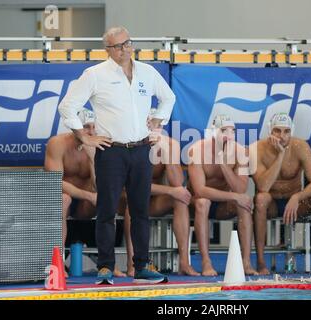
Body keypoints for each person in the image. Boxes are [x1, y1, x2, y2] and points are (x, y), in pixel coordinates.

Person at [58, 26, 175, 285]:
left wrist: (157, 121)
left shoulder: (147, 72)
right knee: (107, 210)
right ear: (107, 50)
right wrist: (84, 136)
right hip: (111, 152)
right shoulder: (95, 74)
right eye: (117, 46)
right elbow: (67, 106)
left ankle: (142, 267)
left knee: (140, 211)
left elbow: (168, 98)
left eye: (127, 43)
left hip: (142, 149)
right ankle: (105, 267)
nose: (124, 49)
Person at [44, 109, 129, 277]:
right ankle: (58, 262)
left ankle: (107, 263)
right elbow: (55, 182)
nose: (90, 132)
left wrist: (92, 159)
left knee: (107, 202)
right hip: (65, 199)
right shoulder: (57, 144)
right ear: (74, 127)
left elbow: (100, 186)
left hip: (86, 204)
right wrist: (89, 196)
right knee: (63, 199)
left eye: (93, 127)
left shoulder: (100, 145)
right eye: (85, 127)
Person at [249, 113, 311, 275]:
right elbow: (263, 186)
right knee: (261, 198)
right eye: (277, 131)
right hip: (271, 203)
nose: (282, 136)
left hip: (295, 203)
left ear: (291, 131)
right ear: (270, 131)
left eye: (286, 131)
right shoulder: (256, 148)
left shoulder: (300, 147)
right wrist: (280, 155)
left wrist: (297, 197)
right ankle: (261, 262)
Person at [187, 114, 258, 276]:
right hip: (196, 205)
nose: (228, 135)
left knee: (244, 204)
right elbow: (199, 190)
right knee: (203, 202)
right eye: (223, 130)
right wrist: (234, 197)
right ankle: (206, 262)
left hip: (222, 205)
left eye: (232, 131)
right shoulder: (196, 150)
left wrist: (223, 164)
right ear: (213, 132)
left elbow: (240, 189)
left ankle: (246, 262)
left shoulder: (241, 152)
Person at [123, 134, 200, 276]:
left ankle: (184, 262)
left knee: (180, 199)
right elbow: (134, 185)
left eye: (158, 125)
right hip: (128, 197)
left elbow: (177, 182)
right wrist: (170, 190)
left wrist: (166, 152)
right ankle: (132, 263)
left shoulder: (171, 144)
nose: (155, 130)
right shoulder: (131, 143)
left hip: (153, 200)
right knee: (132, 204)